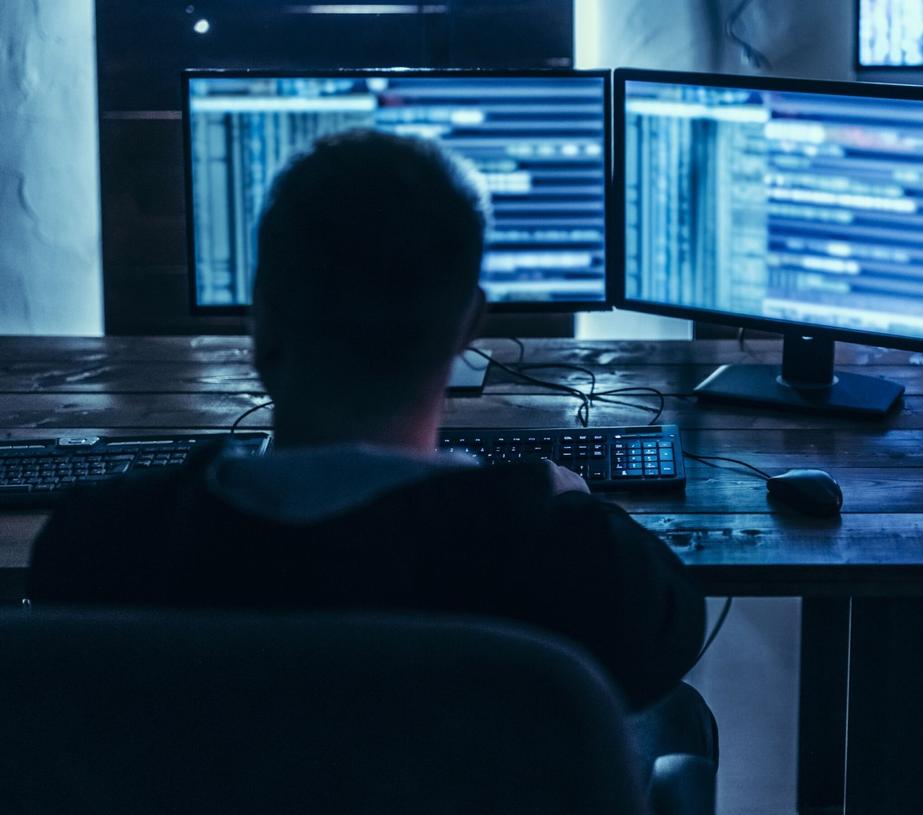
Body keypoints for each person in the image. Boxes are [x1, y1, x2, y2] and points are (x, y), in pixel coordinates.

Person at [27, 130, 716, 786]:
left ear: (262, 321)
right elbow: (670, 631)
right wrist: (569, 503)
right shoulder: (577, 564)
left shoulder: (98, 544)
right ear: (468, 327)